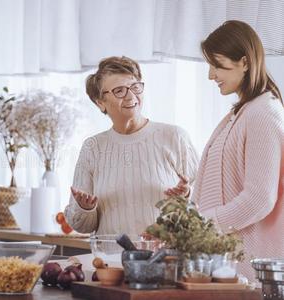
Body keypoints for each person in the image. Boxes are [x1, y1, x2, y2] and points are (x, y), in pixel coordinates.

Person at [64, 56, 199, 237]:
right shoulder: (93, 147)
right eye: (119, 90)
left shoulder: (175, 137)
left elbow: (205, 204)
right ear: (100, 102)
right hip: (110, 260)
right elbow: (82, 226)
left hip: (165, 260)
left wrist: (186, 195)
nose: (131, 96)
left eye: (135, 87)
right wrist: (85, 208)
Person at [194, 20, 284, 282]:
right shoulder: (243, 112)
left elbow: (258, 199)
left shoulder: (262, 113)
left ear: (244, 62)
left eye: (216, 65)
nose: (211, 75)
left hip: (251, 271)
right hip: (234, 265)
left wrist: (201, 226)